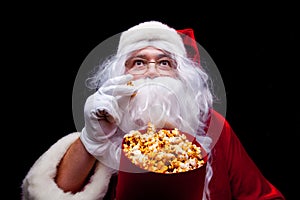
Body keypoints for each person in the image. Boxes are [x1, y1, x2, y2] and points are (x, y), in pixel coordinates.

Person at [21, 21, 285, 200]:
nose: (151, 70)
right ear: (120, 74)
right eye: (138, 62)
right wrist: (91, 139)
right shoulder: (105, 120)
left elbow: (261, 196)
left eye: (164, 62)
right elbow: (51, 194)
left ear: (183, 77)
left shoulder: (212, 127)